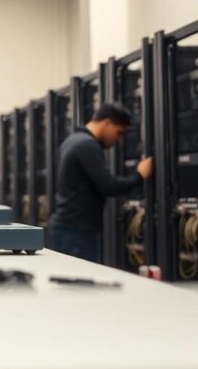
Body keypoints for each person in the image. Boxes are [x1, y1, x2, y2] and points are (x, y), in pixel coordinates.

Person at [48, 103, 154, 263]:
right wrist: (140, 175)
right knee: (81, 284)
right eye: (119, 133)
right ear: (107, 123)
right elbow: (108, 186)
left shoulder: (73, 140)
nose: (118, 140)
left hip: (67, 228)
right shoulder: (87, 144)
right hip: (77, 232)